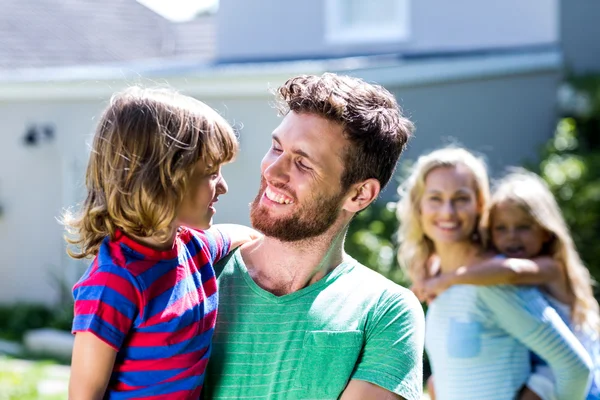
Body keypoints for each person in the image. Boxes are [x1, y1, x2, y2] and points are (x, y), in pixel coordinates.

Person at [203, 73, 424, 400]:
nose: (273, 171)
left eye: (303, 163)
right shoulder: (197, 271)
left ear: (359, 194)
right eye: (276, 147)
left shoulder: (384, 312)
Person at [62, 87, 259, 399]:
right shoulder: (114, 282)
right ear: (161, 181)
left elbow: (242, 236)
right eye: (210, 173)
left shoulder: (195, 248)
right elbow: (84, 394)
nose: (223, 186)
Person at [396, 147, 592, 400]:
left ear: (480, 205)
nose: (448, 212)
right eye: (435, 198)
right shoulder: (435, 279)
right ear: (418, 207)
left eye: (461, 198)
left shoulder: (491, 280)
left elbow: (575, 369)